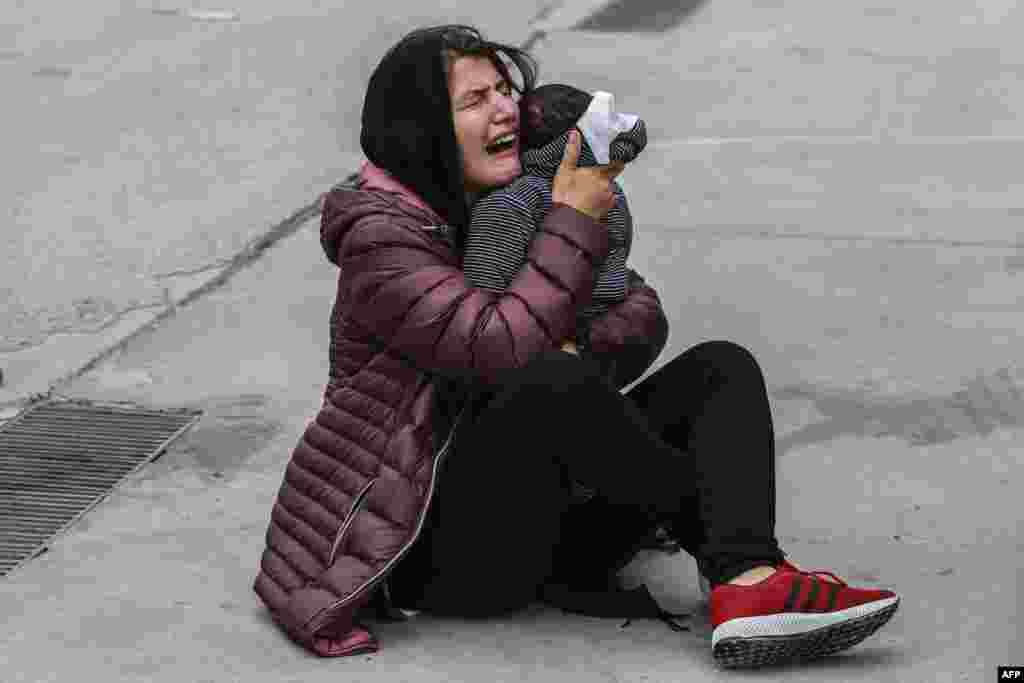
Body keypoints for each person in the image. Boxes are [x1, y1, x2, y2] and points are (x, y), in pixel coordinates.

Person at [252, 24, 900, 669]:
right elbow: (494, 347)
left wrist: (573, 330)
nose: (506, 107)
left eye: (504, 90)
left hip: (545, 518)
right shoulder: (383, 240)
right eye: (475, 100)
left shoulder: (513, 197)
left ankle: (748, 577)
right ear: (423, 130)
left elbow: (642, 312)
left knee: (719, 369)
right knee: (547, 381)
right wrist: (573, 223)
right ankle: (734, 554)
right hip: (437, 551)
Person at [463, 83, 648, 386]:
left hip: (535, 362)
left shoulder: (507, 206)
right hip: (596, 340)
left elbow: (483, 306)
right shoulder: (607, 191)